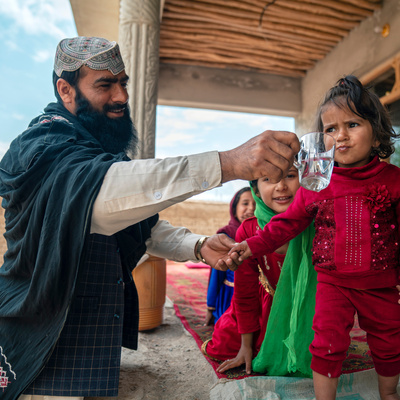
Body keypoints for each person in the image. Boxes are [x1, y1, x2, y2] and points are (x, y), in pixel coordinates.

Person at [0, 36, 300, 400]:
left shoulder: (92, 150)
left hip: (85, 339)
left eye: (123, 83)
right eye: (105, 85)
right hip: (42, 329)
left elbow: (134, 222)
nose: (121, 97)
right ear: (66, 90)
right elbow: (103, 199)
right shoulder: (42, 147)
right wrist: (227, 163)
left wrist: (199, 246)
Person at [226, 75, 400, 400]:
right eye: (330, 129)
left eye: (353, 124)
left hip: (381, 285)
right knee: (326, 344)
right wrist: (249, 246)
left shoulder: (393, 181)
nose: (341, 136)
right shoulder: (316, 185)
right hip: (333, 283)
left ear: (376, 133)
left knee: (390, 341)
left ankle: (389, 394)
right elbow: (285, 226)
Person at [202, 167, 316, 377]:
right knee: (225, 344)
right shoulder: (248, 230)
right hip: (266, 305)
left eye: (290, 176)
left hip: (309, 307)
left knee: (320, 352)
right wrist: (246, 346)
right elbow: (245, 293)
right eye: (268, 178)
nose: (281, 186)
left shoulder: (317, 222)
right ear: (255, 189)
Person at [204, 187, 255, 326]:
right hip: (229, 296)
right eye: (245, 203)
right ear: (234, 207)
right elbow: (216, 275)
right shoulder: (226, 236)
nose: (251, 208)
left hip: (256, 297)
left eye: (256, 203)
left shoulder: (264, 236)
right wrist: (211, 307)